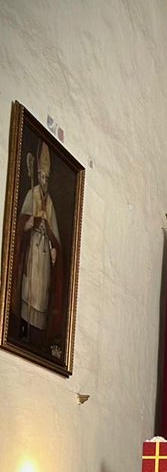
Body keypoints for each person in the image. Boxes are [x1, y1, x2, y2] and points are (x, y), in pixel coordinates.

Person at [15, 142, 62, 345]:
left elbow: (54, 235)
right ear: (38, 176)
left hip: (43, 255)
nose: (44, 181)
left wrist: (54, 249)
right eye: (42, 177)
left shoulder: (49, 202)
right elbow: (22, 225)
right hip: (33, 251)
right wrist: (31, 223)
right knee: (30, 291)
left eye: (46, 178)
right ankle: (23, 329)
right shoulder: (32, 194)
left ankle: (36, 338)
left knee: (41, 294)